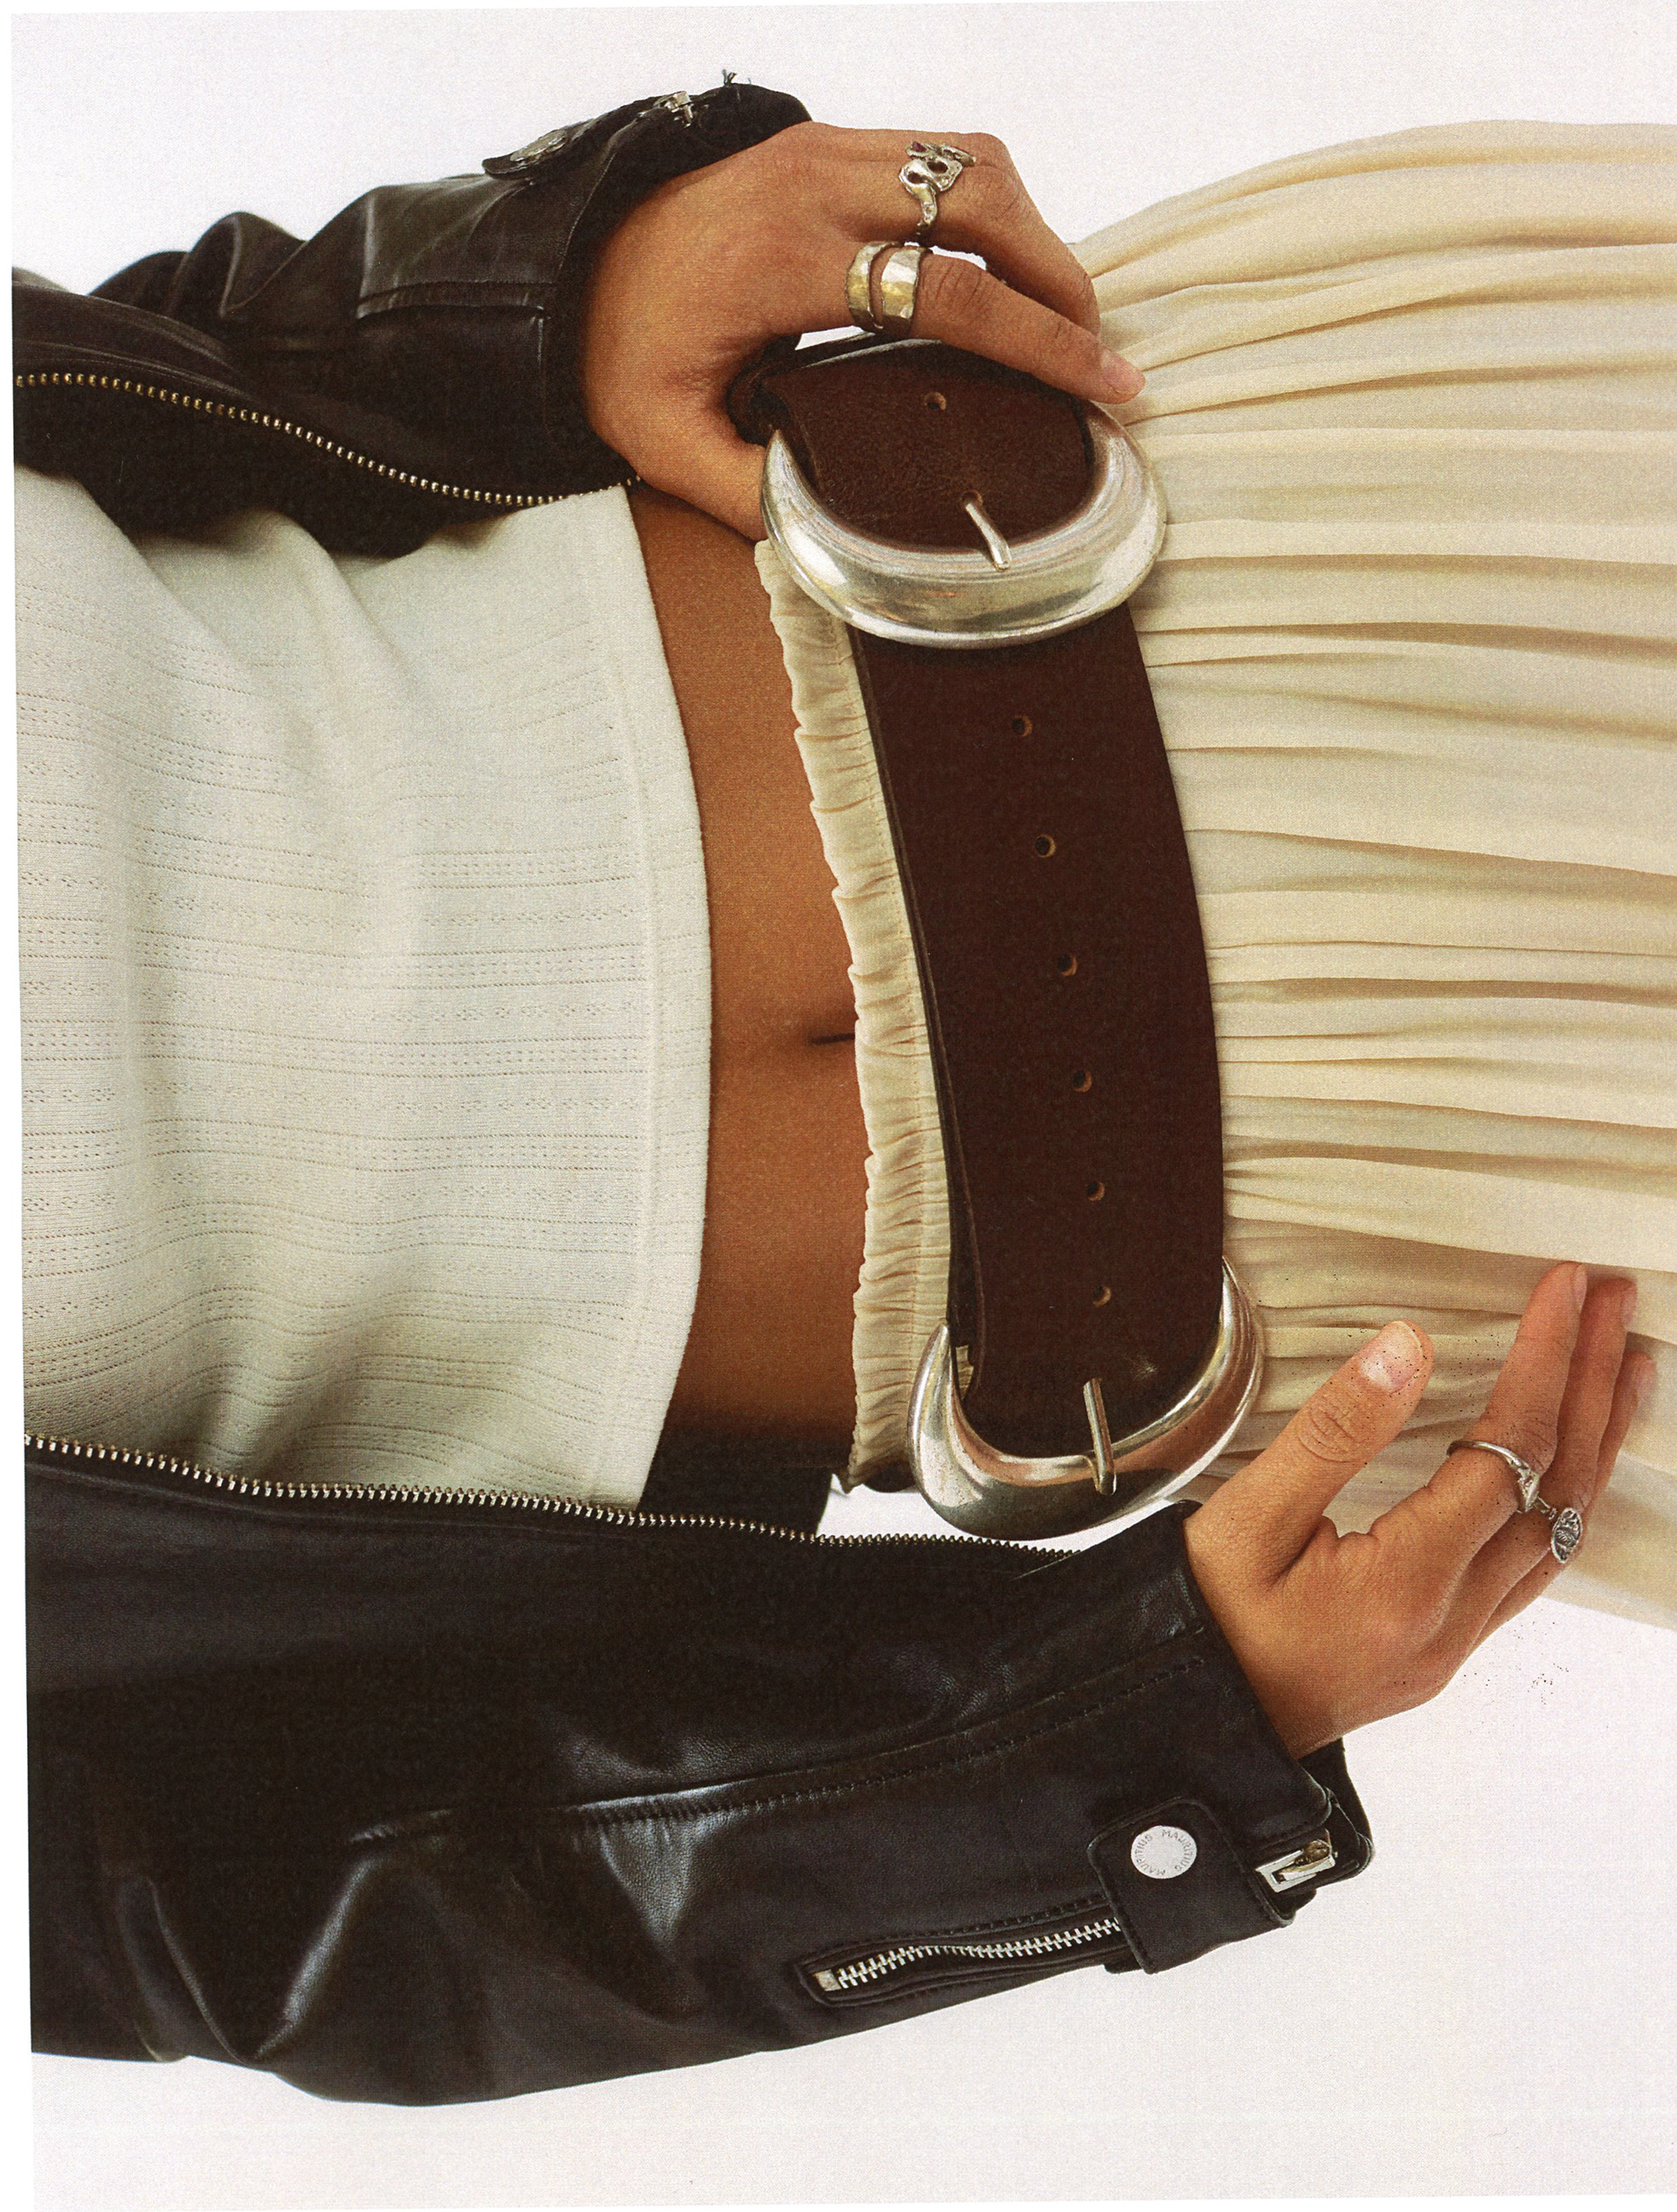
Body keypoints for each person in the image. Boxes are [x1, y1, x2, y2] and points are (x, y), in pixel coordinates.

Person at [18, 84, 1671, 2104]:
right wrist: (1139, 1737)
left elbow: (137, 365)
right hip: (1370, 1184)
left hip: (1287, 534)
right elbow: (271, 1910)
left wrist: (553, 286)